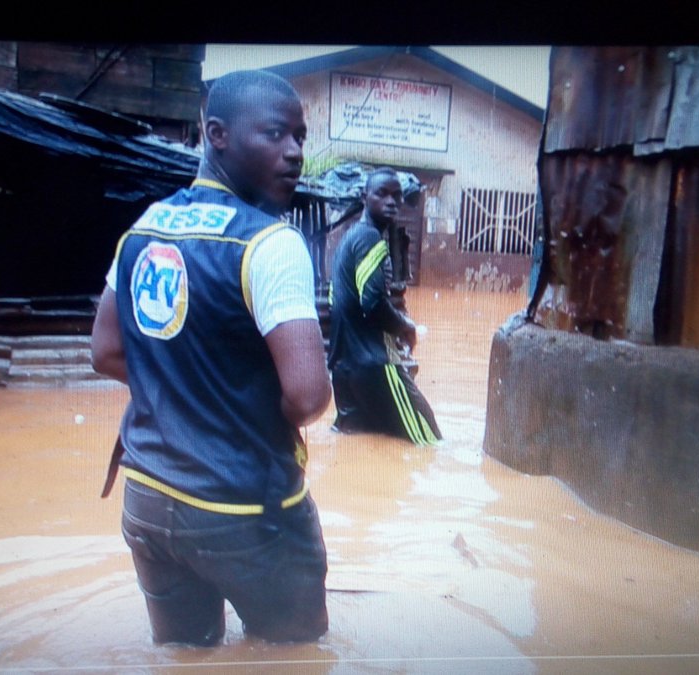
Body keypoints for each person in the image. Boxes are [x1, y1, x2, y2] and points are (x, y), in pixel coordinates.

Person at [90, 69, 331, 646]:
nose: (295, 153)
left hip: (146, 497)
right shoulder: (271, 244)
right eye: (275, 135)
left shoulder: (143, 229)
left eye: (300, 136)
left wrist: (186, 393)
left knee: (183, 656)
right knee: (296, 655)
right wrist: (230, 406)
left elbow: (104, 352)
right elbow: (308, 397)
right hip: (246, 509)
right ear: (217, 134)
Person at [326, 167, 442, 446]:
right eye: (382, 194)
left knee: (356, 446)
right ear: (366, 197)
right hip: (374, 365)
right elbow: (373, 303)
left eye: (397, 196)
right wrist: (406, 327)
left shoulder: (350, 238)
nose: (392, 201)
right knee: (428, 441)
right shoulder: (369, 239)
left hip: (344, 368)